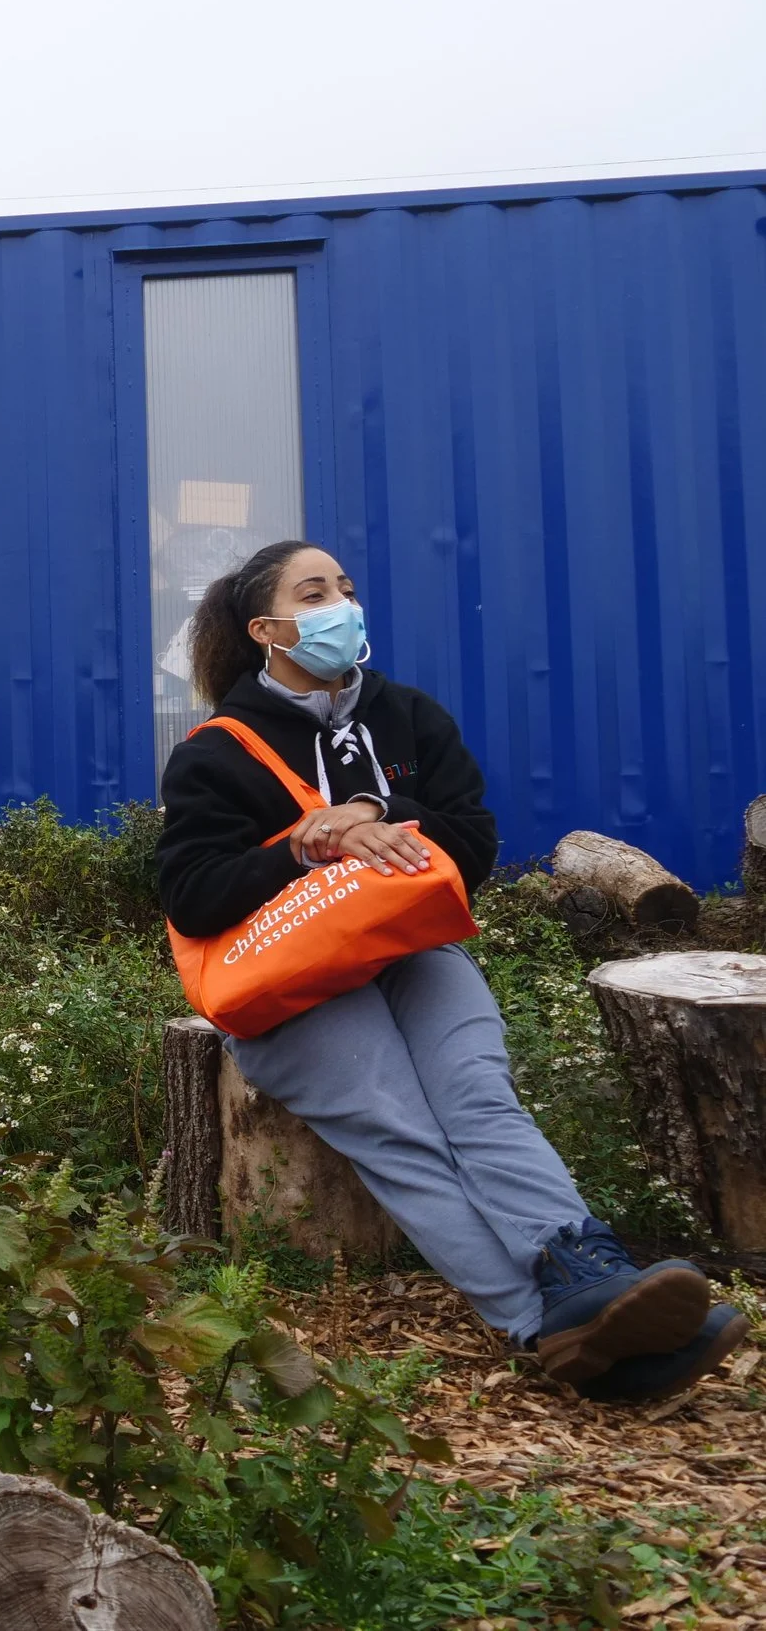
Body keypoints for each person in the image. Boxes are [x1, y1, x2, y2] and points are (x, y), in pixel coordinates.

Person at [159, 540, 742, 1403]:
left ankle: (586, 1266)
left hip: (409, 948)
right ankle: (545, 1326)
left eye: (346, 587)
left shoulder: (406, 716)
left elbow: (472, 844)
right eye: (313, 593)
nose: (341, 605)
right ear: (267, 630)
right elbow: (192, 895)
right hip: (288, 983)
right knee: (402, 1132)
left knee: (477, 1094)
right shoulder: (217, 752)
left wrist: (380, 808)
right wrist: (304, 844)